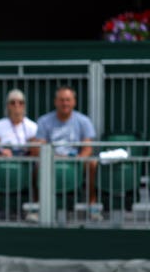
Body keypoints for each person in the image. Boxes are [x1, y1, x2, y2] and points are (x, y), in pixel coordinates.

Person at [31, 85, 101, 221]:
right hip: (50, 161)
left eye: (68, 100)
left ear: (74, 102)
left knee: (92, 163)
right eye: (61, 100)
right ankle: (37, 206)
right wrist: (53, 157)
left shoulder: (84, 121)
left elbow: (88, 148)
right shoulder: (44, 121)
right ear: (55, 102)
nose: (65, 103)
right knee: (37, 166)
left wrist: (79, 159)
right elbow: (38, 147)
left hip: (75, 161)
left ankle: (92, 204)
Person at [0, 89, 37, 158]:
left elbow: (35, 155)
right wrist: (1, 156)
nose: (17, 105)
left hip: (24, 165)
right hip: (4, 165)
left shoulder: (32, 126)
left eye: (20, 102)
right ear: (8, 105)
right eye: (13, 102)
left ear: (24, 105)